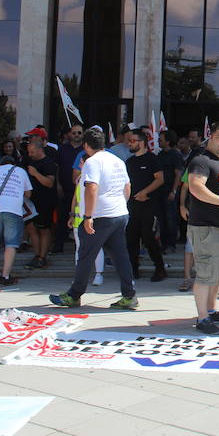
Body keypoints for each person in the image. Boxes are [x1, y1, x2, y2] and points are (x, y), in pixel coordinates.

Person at [49, 127, 138, 310]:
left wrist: (88, 216)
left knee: (85, 256)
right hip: (119, 213)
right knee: (121, 256)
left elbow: (91, 188)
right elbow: (127, 186)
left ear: (86, 145)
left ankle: (74, 295)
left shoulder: (92, 162)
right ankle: (130, 296)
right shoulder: (117, 160)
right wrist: (120, 204)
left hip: (99, 216)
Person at [185, 122, 219, 334]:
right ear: (210, 137)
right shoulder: (201, 160)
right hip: (206, 227)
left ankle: (211, 309)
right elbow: (195, 186)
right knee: (206, 273)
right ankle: (202, 318)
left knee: (218, 274)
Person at [0, 155, 32, 285]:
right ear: (14, 163)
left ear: (1, 163)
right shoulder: (21, 171)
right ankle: (6, 276)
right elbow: (28, 193)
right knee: (11, 244)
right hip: (13, 210)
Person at [125, 129, 166, 281]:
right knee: (131, 238)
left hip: (149, 205)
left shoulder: (152, 159)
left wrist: (145, 192)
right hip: (132, 205)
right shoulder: (129, 161)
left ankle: (160, 268)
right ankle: (133, 269)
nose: (130, 143)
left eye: (133, 140)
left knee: (149, 237)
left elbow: (160, 179)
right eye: (129, 140)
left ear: (142, 142)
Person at [22, 140, 58, 270]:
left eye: (32, 152)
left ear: (39, 149)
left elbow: (49, 183)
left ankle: (43, 257)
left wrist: (36, 173)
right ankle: (36, 256)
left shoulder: (48, 163)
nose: (30, 154)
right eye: (28, 152)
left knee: (44, 230)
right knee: (32, 229)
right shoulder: (29, 162)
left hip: (45, 201)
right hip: (31, 202)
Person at [69, 154, 104, 287]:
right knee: (79, 248)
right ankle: (79, 276)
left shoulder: (98, 176)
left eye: (81, 162)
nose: (79, 165)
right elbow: (75, 197)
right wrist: (72, 214)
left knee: (97, 247)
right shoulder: (79, 178)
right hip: (79, 218)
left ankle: (99, 274)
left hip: (94, 217)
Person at [53, 122, 84, 254]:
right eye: (74, 132)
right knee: (62, 218)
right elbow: (57, 168)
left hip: (81, 191)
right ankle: (58, 246)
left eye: (79, 133)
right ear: (69, 134)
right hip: (65, 189)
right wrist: (58, 185)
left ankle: (81, 247)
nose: (76, 135)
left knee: (82, 218)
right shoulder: (62, 149)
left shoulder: (86, 149)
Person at [157, 130, 185, 253]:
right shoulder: (160, 154)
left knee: (170, 218)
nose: (158, 141)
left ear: (168, 141)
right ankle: (163, 244)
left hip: (170, 191)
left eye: (161, 139)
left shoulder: (175, 155)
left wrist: (174, 191)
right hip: (160, 191)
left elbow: (178, 173)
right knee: (161, 219)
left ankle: (171, 244)